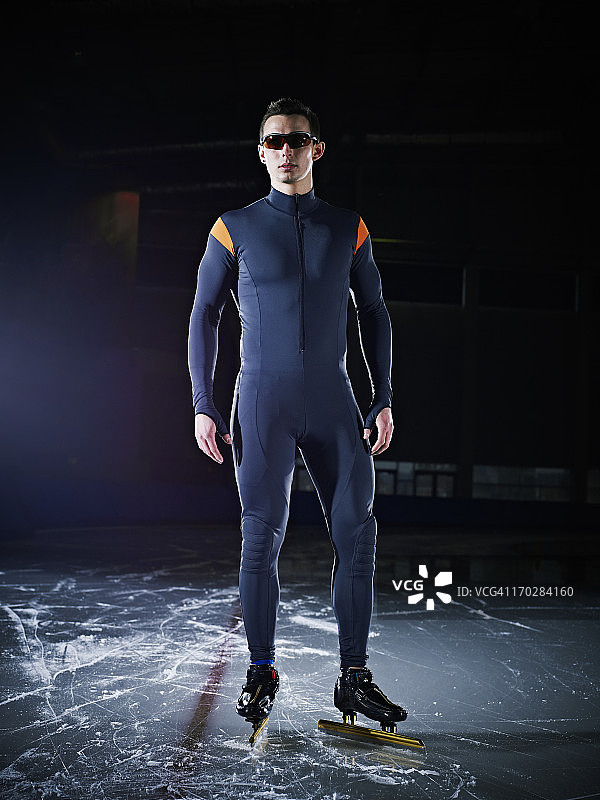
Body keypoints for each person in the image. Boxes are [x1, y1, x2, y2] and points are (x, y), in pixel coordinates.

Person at [188, 97, 407, 735]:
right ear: (262, 152)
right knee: (261, 538)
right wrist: (203, 404)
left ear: (317, 149)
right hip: (262, 401)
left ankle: (354, 678)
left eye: (298, 139)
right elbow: (204, 316)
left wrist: (383, 394)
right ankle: (261, 669)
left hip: (334, 400)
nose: (287, 150)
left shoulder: (348, 227)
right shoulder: (232, 227)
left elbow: (375, 313)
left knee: (357, 537)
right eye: (275, 140)